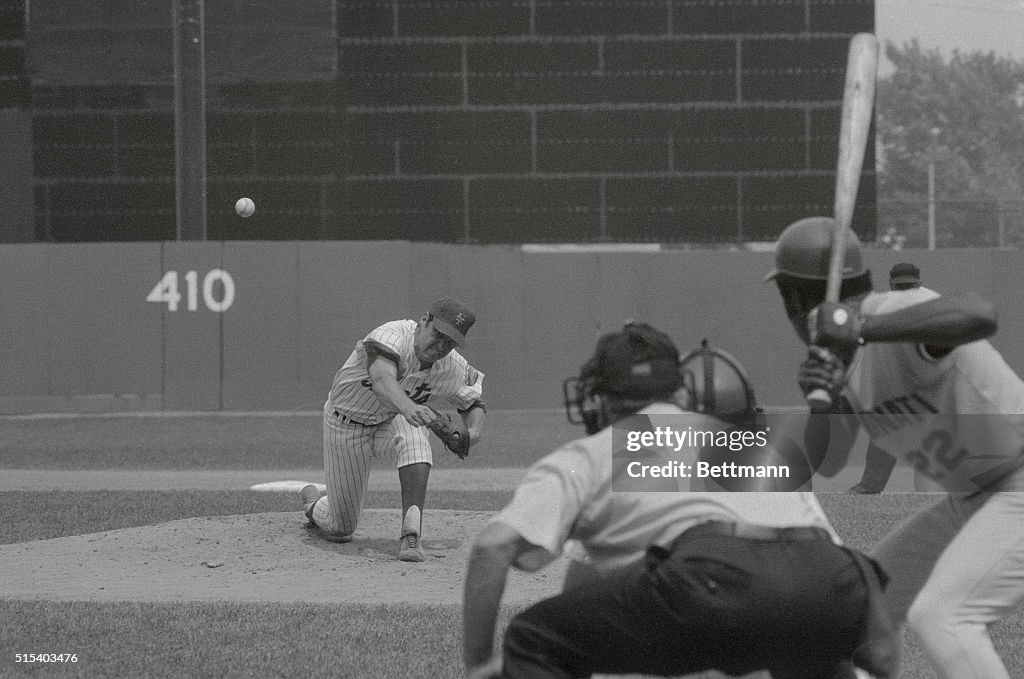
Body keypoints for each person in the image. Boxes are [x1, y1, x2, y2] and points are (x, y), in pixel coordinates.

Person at [462, 321, 895, 679]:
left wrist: (481, 666)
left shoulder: (592, 454)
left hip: (710, 578)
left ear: (600, 397)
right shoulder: (756, 442)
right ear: (680, 390)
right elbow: (812, 550)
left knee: (534, 638)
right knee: (809, 645)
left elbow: (491, 547)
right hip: (835, 576)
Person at [767, 216, 1024, 679]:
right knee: (858, 612)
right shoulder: (843, 357)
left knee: (945, 618)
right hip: (973, 499)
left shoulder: (896, 309)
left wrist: (861, 326)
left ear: (791, 297)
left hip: (1018, 481)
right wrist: (821, 401)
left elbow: (980, 313)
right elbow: (830, 461)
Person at [300, 297, 486, 562]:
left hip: (390, 421)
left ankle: (411, 534)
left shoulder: (452, 366)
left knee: (416, 435)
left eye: (450, 342)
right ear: (424, 321)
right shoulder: (391, 335)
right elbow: (381, 379)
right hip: (345, 423)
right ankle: (312, 503)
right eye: (438, 334)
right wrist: (410, 408)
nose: (441, 346)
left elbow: (474, 402)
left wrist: (472, 434)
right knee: (340, 529)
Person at [848, 262, 924, 493]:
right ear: (891, 284)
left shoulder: (931, 304)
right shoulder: (879, 309)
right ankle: (870, 485)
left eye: (909, 286)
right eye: (900, 286)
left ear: (919, 284)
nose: (905, 290)